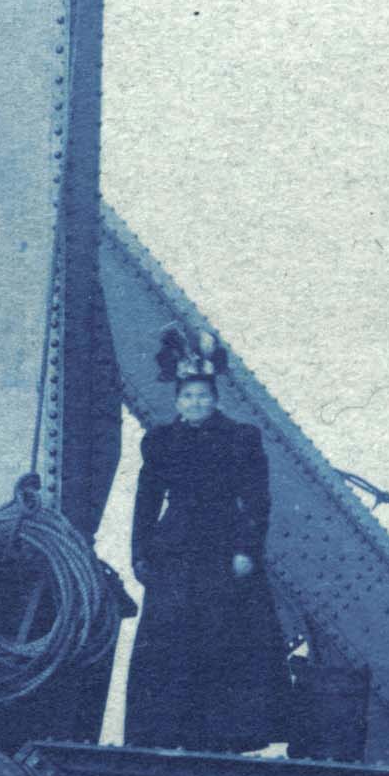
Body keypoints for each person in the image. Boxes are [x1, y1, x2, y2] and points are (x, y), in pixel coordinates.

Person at [120, 321, 290, 751]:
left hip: (222, 551)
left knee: (224, 642)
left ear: (214, 399)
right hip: (174, 552)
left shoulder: (240, 438)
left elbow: (257, 500)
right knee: (171, 646)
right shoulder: (159, 441)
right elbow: (147, 499)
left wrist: (247, 550)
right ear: (178, 400)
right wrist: (139, 554)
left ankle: (222, 738)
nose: (195, 402)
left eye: (202, 396)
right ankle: (168, 737)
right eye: (188, 396)